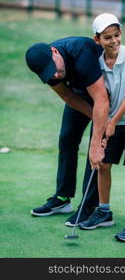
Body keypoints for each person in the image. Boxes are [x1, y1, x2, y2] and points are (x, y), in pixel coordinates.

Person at [78, 13, 125, 242]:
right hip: (111, 119)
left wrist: (112, 122)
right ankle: (104, 211)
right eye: (107, 37)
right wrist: (106, 124)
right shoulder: (97, 63)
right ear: (97, 39)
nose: (114, 41)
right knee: (104, 165)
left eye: (117, 35)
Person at [25, 36, 109, 217]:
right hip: (79, 94)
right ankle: (63, 199)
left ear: (54, 52)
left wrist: (99, 130)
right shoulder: (48, 71)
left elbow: (101, 99)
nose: (54, 75)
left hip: (103, 93)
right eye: (48, 73)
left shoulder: (81, 52)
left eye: (53, 68)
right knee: (67, 139)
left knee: (95, 148)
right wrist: (92, 116)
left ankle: (89, 205)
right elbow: (68, 97)